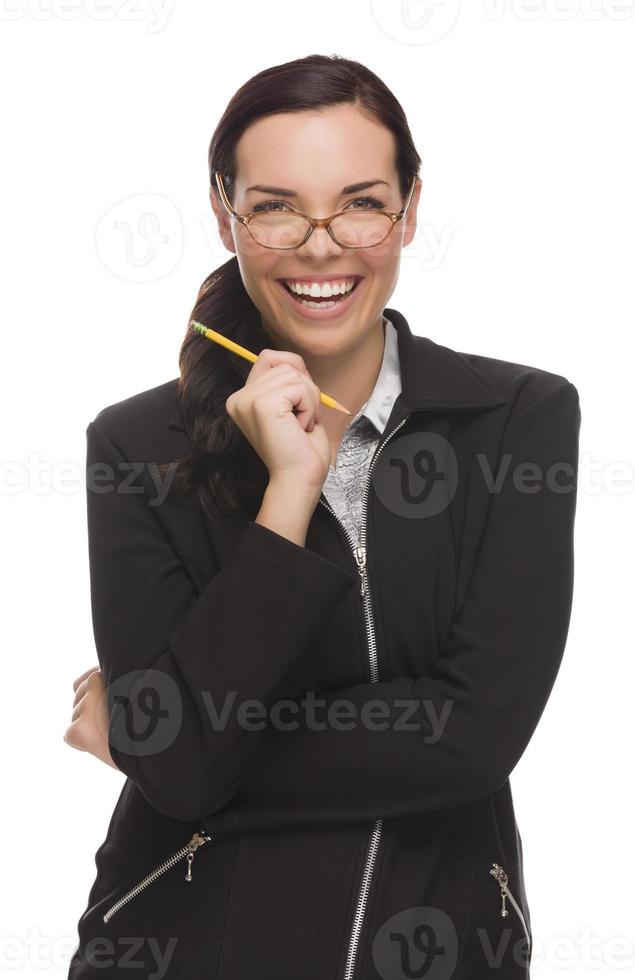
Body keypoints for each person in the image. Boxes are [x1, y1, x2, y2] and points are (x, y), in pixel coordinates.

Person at [64, 53, 581, 980]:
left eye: (360, 202)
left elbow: (474, 736)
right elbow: (177, 761)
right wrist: (289, 492)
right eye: (274, 206)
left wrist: (163, 746)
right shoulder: (133, 444)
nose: (320, 243)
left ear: (409, 208)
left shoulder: (520, 418)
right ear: (225, 213)